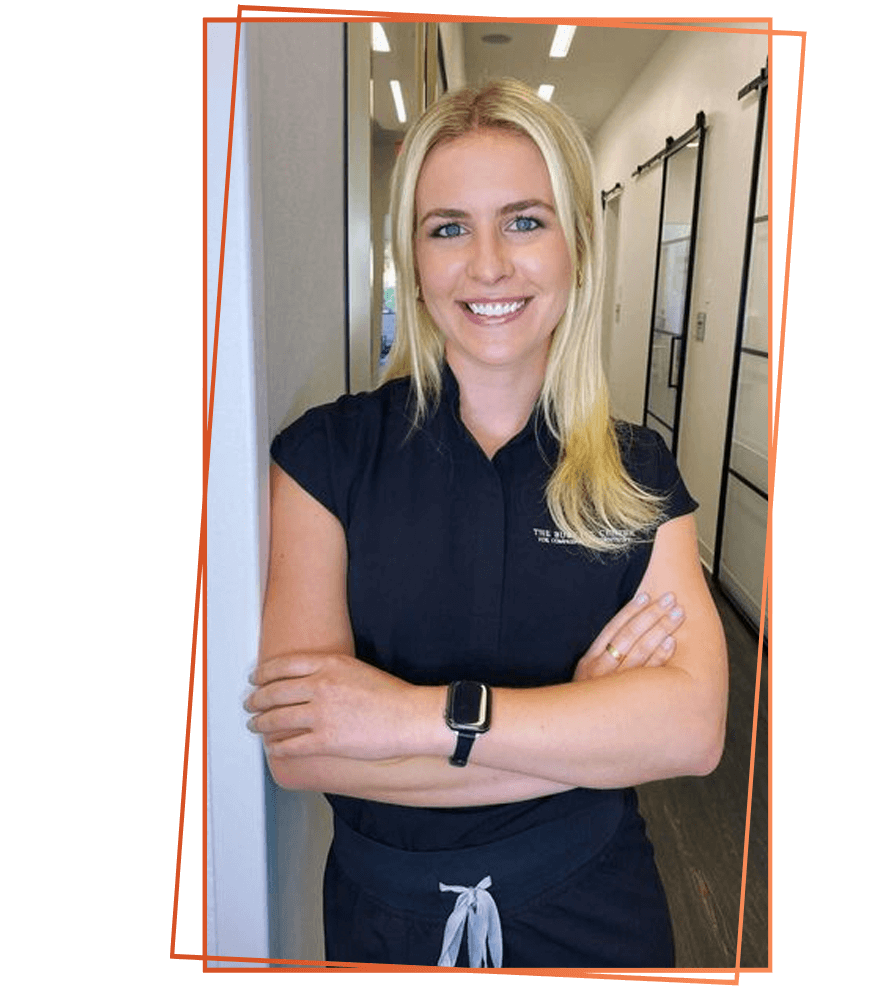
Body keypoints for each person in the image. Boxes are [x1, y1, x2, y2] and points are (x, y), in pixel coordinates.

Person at [244, 78, 728, 970]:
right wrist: (581, 726)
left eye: (524, 221)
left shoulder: (637, 473)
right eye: (448, 228)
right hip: (382, 925)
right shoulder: (325, 457)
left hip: (596, 910)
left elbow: (691, 733)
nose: (489, 265)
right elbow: (303, 752)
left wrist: (410, 719)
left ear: (576, 242)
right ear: (411, 258)